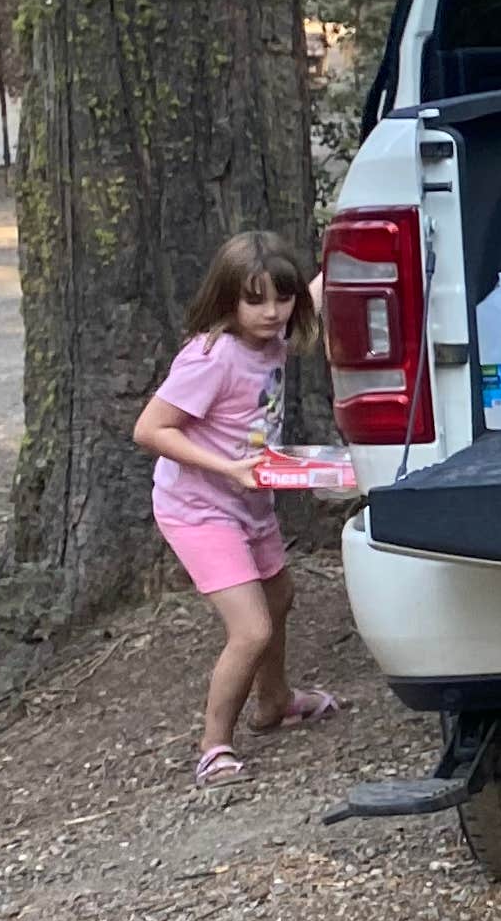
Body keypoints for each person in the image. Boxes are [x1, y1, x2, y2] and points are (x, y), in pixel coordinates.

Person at [134, 229, 354, 777]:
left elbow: (318, 291)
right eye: (255, 300)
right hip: (198, 508)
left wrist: (354, 252)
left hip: (249, 502)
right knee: (251, 628)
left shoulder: (272, 336)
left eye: (282, 299)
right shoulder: (213, 356)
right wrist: (228, 468)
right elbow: (150, 429)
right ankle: (214, 746)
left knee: (280, 594)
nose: (273, 312)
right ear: (227, 299)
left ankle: (274, 702)